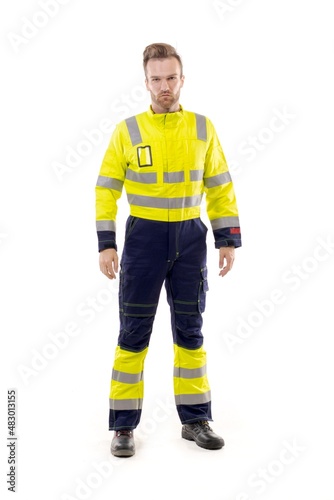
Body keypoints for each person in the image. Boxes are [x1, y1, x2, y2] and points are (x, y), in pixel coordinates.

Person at [95, 43, 242, 457]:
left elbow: (219, 185)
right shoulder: (128, 130)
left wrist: (226, 237)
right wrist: (107, 244)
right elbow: (106, 190)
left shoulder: (202, 127)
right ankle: (123, 426)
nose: (164, 86)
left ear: (182, 79)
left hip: (190, 240)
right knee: (133, 335)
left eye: (171, 77)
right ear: (146, 82)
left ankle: (195, 419)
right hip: (142, 242)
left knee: (190, 334)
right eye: (156, 79)